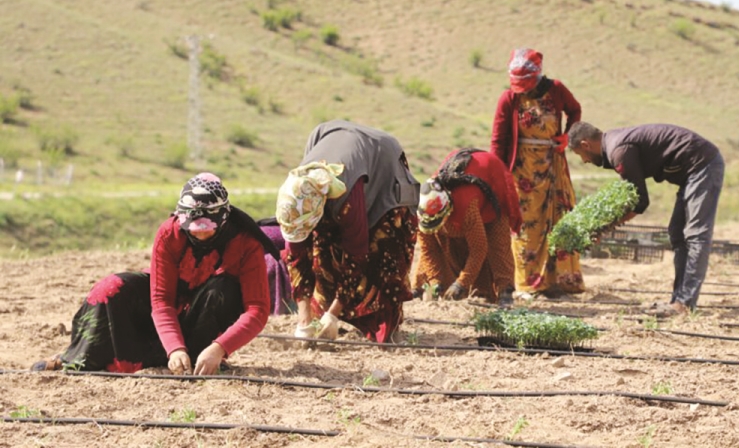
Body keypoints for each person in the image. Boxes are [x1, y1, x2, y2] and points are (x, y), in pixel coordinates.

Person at [32, 173, 273, 374]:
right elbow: (161, 300)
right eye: (194, 230)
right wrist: (174, 347)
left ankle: (200, 358)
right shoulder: (170, 233)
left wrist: (220, 347)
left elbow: (257, 310)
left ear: (223, 219)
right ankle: (78, 359)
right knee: (110, 288)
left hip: (206, 318)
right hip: (168, 312)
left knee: (223, 289)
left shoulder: (245, 243)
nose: (199, 235)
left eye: (207, 230)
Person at [275, 120, 419, 344]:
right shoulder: (298, 197)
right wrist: (304, 319)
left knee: (383, 250)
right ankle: (318, 319)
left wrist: (333, 314)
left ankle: (376, 324)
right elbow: (296, 257)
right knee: (321, 249)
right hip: (337, 146)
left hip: (384, 173)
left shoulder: (346, 201)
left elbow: (356, 255)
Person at [567, 121, 726, 317]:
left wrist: (603, 229)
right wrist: (601, 226)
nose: (584, 160)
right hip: (692, 172)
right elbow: (630, 197)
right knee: (677, 234)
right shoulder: (616, 144)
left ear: (585, 145)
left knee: (695, 235)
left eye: (580, 154)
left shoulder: (619, 150)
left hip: (703, 166)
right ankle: (679, 300)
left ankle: (684, 304)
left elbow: (640, 202)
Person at [490, 48, 584, 299]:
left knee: (558, 221)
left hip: (553, 166)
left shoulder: (557, 89)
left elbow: (575, 110)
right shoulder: (508, 98)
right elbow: (498, 141)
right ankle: (527, 283)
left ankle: (556, 283)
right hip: (521, 172)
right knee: (524, 226)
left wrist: (567, 136)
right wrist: (497, 175)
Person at [414, 148, 522, 306]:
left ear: (448, 211)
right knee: (439, 239)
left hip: (492, 180)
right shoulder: (424, 208)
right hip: (468, 192)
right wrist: (436, 282)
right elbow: (428, 250)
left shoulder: (465, 206)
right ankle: (426, 285)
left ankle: (505, 291)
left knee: (497, 242)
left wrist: (461, 283)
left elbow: (479, 249)